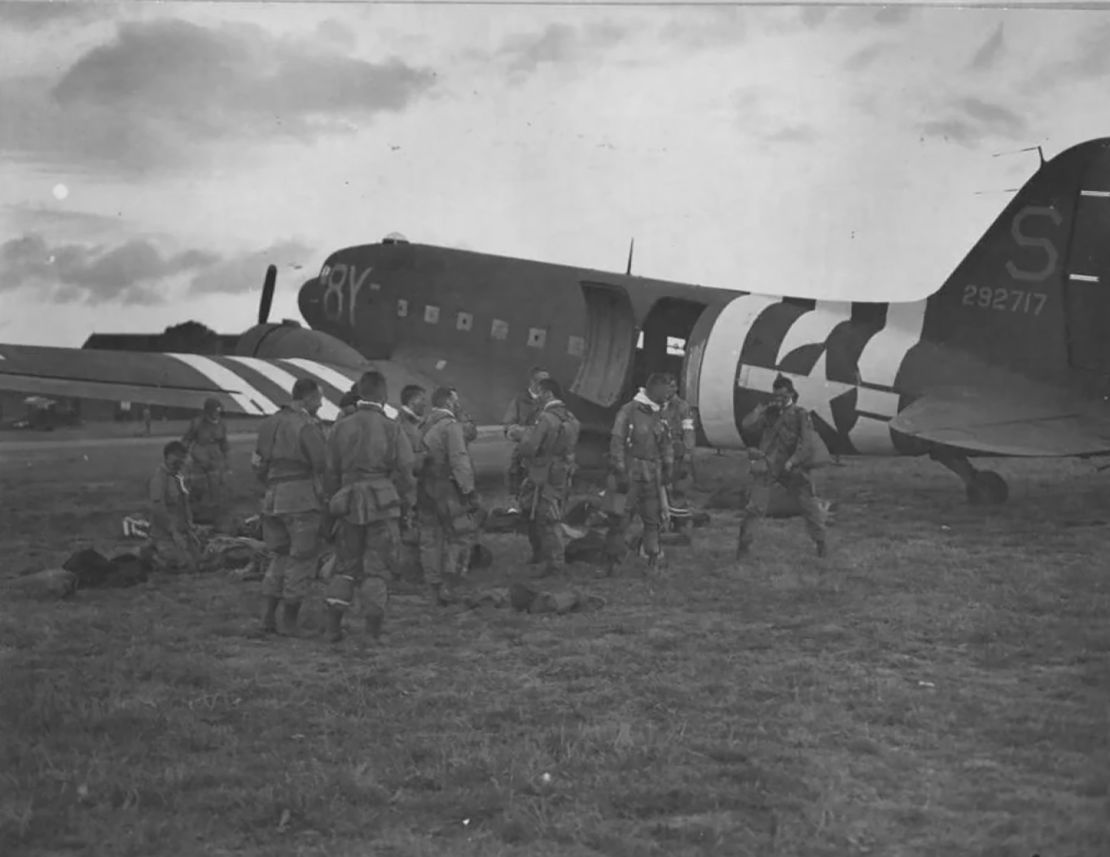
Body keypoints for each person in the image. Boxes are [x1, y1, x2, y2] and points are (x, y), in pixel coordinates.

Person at [323, 371, 416, 643]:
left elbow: (329, 471)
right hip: (383, 504)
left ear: (360, 393)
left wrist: (333, 504)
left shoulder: (340, 426)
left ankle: (332, 628)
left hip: (348, 501)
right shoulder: (392, 428)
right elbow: (406, 470)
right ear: (383, 395)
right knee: (377, 568)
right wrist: (404, 503)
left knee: (345, 566)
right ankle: (372, 634)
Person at [253, 379, 328, 637]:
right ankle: (289, 622)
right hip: (301, 498)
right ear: (307, 399)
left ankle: (266, 618)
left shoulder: (269, 423)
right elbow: (321, 463)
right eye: (319, 398)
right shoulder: (306, 426)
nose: (321, 403)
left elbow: (257, 464)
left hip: (272, 497)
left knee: (278, 558)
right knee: (302, 559)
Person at [737, 375, 828, 558]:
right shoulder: (769, 414)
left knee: (809, 505)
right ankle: (744, 546)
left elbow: (807, 443)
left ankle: (821, 543)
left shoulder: (800, 415)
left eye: (782, 396)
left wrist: (793, 461)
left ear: (791, 394)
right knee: (755, 507)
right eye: (776, 396)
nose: (778, 400)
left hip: (791, 468)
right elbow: (747, 426)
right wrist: (758, 411)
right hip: (768, 465)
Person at [605, 373, 674, 571]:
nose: (669, 393)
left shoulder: (660, 414)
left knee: (653, 518)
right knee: (621, 518)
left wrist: (669, 467)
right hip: (630, 472)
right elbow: (617, 442)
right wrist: (619, 470)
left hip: (652, 474)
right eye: (666, 388)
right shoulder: (628, 411)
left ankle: (653, 559)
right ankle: (613, 561)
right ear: (654, 388)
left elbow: (666, 443)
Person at [419, 386, 479, 605]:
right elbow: (459, 459)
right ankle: (450, 583)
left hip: (425, 489)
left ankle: (433, 584)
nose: (457, 404)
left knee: (430, 538)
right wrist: (469, 490)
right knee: (460, 535)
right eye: (455, 400)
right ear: (448, 403)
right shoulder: (450, 426)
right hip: (447, 489)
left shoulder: (424, 423)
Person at [517, 378, 580, 577]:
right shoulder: (570, 418)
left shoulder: (545, 418)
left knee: (545, 517)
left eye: (540, 392)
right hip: (562, 471)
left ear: (548, 394)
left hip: (543, 472)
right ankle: (549, 557)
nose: (538, 396)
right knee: (551, 513)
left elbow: (530, 447)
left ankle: (553, 562)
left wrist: (521, 436)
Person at [146, 440, 202, 572]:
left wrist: (190, 528)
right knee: (183, 564)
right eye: (178, 456)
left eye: (182, 456)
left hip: (182, 533)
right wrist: (174, 532)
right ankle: (151, 554)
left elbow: (184, 504)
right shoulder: (159, 479)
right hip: (166, 535)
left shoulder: (177, 477)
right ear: (168, 456)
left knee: (199, 561)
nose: (181, 460)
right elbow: (158, 509)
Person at [502, 367, 550, 514]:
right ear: (533, 382)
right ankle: (514, 504)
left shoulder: (549, 400)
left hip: (544, 446)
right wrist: (521, 434)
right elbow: (508, 424)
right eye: (542, 381)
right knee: (515, 472)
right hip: (524, 445)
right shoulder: (519, 400)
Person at [182, 397, 231, 529]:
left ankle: (215, 518)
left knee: (216, 488)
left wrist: (226, 462)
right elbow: (187, 439)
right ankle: (194, 515)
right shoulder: (197, 423)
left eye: (218, 411)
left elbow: (224, 443)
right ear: (208, 411)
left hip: (215, 458)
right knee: (197, 487)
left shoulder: (221, 424)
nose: (217, 413)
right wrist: (183, 455)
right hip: (200, 456)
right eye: (215, 411)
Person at [396, 384, 428, 580]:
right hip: (408, 485)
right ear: (412, 401)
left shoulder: (412, 423)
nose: (425, 403)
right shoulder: (403, 426)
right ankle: (407, 571)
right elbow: (405, 459)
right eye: (422, 399)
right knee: (408, 528)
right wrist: (426, 456)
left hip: (414, 484)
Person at [660, 374, 698, 539]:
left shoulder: (682, 407)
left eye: (671, 386)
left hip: (677, 452)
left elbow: (688, 431)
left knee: (677, 491)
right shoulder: (657, 405)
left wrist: (688, 452)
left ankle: (683, 526)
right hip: (661, 452)